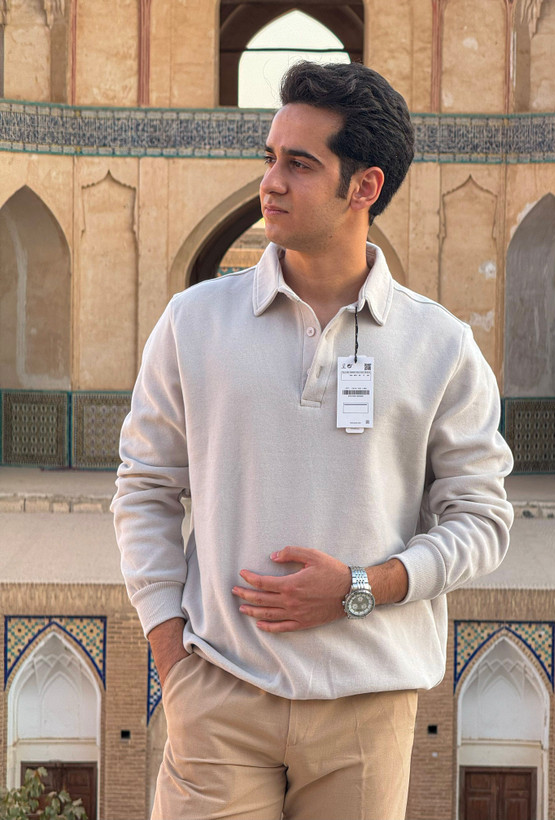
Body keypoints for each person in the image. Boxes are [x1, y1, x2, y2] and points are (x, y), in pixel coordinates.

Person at [112, 60, 514, 820]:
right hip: (219, 696)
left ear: (364, 186)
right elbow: (144, 489)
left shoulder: (439, 346)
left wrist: (364, 587)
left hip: (366, 709)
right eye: (270, 158)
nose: (270, 182)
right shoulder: (195, 322)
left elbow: (482, 519)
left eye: (299, 164)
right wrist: (172, 654)